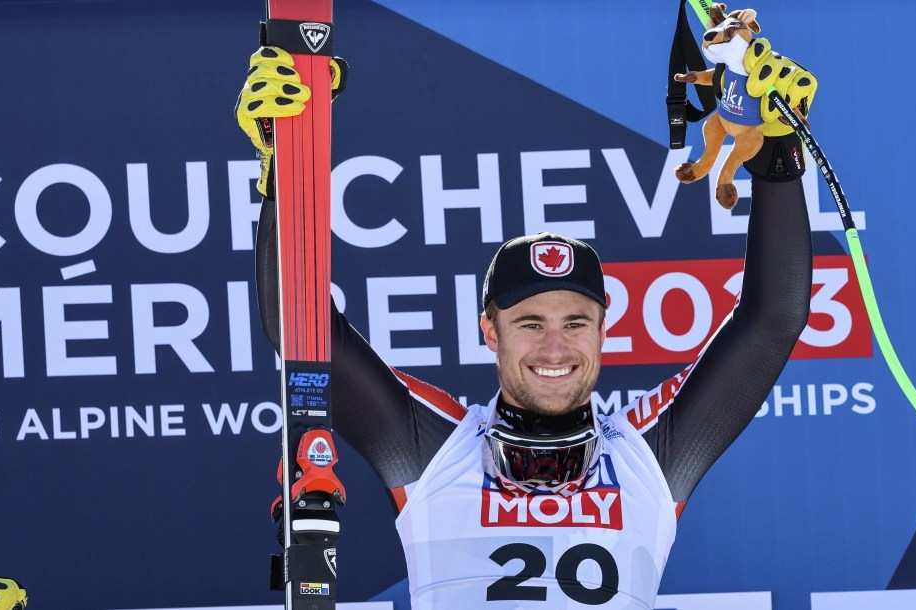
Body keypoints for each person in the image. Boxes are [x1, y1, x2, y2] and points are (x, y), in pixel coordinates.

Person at [237, 38, 816, 609]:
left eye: (575, 321)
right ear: (490, 331)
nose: (555, 345)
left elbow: (773, 319)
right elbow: (300, 329)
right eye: (530, 322)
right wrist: (283, 166)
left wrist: (776, 156)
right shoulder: (433, 449)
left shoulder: (651, 457)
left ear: (603, 330)